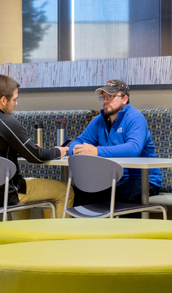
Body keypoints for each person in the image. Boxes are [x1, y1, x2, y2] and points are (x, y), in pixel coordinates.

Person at [0, 74, 69, 217]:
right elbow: (37, 156)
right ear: (3, 100)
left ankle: (20, 238)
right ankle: (58, 239)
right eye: (15, 99)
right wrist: (58, 151)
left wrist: (18, 149)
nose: (16, 103)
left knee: (19, 187)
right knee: (64, 191)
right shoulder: (5, 122)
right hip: (5, 195)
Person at [67, 79, 161, 208]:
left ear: (124, 99)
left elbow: (134, 149)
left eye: (111, 96)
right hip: (114, 179)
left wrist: (96, 152)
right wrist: (76, 150)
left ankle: (126, 228)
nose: (105, 101)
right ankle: (86, 228)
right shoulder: (99, 121)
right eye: (104, 97)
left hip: (143, 180)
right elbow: (77, 142)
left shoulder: (135, 118)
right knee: (79, 193)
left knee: (122, 195)